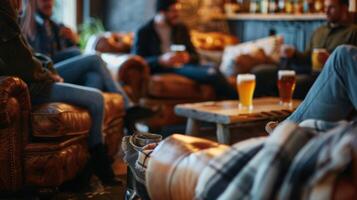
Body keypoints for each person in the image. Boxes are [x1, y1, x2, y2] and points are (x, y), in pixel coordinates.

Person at [0, 0, 121, 186]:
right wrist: (49, 74)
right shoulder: (17, 15)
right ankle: (100, 161)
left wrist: (69, 45)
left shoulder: (51, 24)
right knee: (96, 98)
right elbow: (23, 60)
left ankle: (87, 167)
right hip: (31, 85)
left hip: (37, 78)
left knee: (93, 78)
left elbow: (31, 56)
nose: (48, 2)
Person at [21, 0, 155, 135]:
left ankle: (93, 138)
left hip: (61, 73)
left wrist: (73, 41)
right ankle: (128, 106)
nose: (48, 2)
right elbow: (40, 61)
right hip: (46, 75)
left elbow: (71, 55)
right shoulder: (26, 27)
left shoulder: (55, 26)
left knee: (94, 77)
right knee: (94, 58)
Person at [132, 0, 237, 99]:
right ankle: (236, 99)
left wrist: (187, 57)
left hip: (184, 65)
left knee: (213, 68)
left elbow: (195, 55)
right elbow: (137, 61)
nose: (177, 14)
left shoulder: (181, 28)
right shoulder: (144, 32)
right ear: (162, 11)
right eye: (173, 11)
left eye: (178, 10)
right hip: (162, 68)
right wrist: (160, 60)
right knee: (211, 73)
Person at [253, 0, 357, 99]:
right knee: (260, 73)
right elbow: (307, 58)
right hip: (305, 71)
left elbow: (353, 65)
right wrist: (293, 53)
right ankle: (258, 113)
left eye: (331, 7)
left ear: (344, 8)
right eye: (325, 7)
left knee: (295, 83)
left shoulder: (353, 32)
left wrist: (331, 60)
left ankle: (282, 110)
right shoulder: (319, 31)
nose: (326, 11)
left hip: (326, 79)